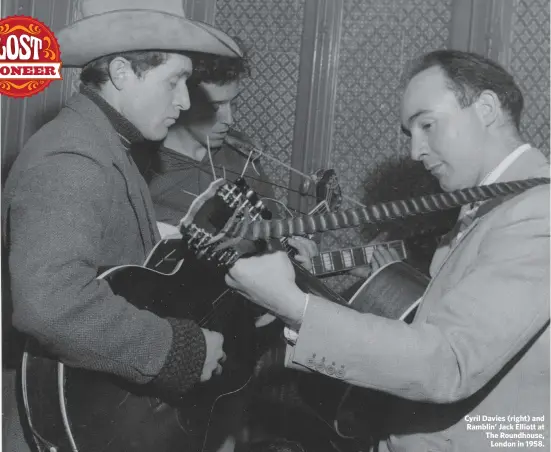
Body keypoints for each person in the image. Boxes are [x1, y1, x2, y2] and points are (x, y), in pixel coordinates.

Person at [223, 49, 550, 452]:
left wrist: (296, 307)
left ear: (485, 108)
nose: (415, 151)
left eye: (427, 125)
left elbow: (450, 362)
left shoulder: (538, 210)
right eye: (410, 134)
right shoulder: (492, 203)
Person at [1, 1, 252, 451]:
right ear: (121, 73)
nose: (183, 100)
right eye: (174, 81)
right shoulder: (72, 158)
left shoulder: (107, 142)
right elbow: (49, 304)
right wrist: (181, 352)